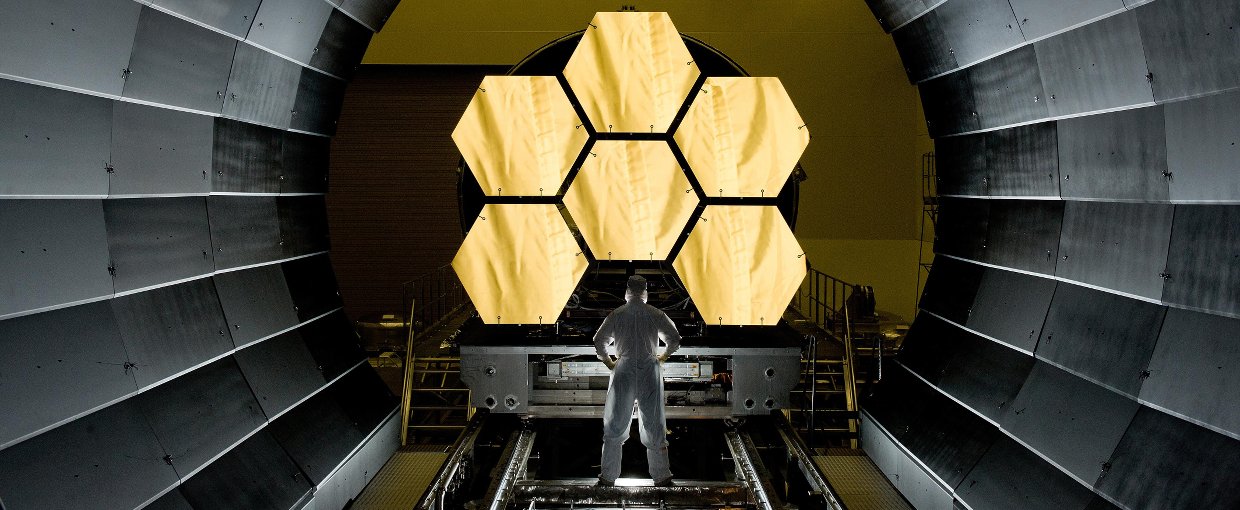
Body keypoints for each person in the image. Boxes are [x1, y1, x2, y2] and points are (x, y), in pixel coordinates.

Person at [594, 275, 681, 487]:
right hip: (649, 370)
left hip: (623, 369)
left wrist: (608, 361)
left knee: (615, 423)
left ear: (627, 290)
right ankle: (662, 477)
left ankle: (607, 477)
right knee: (653, 422)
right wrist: (663, 357)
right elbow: (674, 339)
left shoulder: (617, 314)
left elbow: (599, 340)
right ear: (645, 291)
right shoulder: (655, 314)